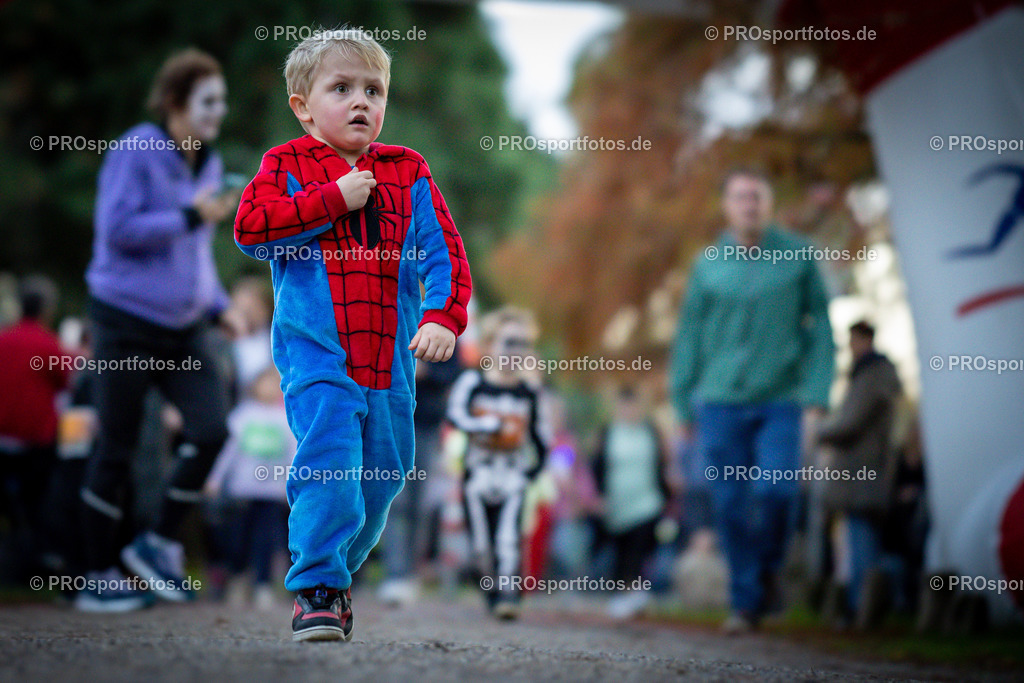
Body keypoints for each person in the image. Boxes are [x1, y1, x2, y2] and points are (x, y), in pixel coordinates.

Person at [233, 29, 472, 642]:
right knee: (330, 464)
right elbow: (252, 230)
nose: (361, 101)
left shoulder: (406, 169)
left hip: (390, 362)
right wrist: (331, 200)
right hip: (318, 357)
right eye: (342, 88)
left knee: (384, 475)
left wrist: (443, 316)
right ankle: (314, 587)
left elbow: (444, 253)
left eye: (374, 90)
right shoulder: (284, 166)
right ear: (303, 105)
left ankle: (335, 575)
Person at [77, 48, 236, 612]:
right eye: (207, 101)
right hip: (123, 320)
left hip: (184, 328)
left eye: (221, 100)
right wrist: (190, 215)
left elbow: (197, 253)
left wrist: (218, 306)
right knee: (116, 447)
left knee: (213, 430)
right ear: (174, 102)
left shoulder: (210, 161)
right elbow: (116, 230)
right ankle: (96, 578)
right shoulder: (136, 148)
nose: (218, 111)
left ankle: (157, 543)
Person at [670, 167, 835, 634]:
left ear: (770, 203)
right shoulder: (707, 264)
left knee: (778, 490)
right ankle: (745, 602)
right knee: (729, 503)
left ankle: (766, 567)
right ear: (727, 206)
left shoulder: (799, 257)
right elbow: (689, 336)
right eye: (740, 196)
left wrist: (817, 396)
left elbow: (821, 330)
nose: (749, 204)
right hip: (719, 401)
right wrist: (682, 403)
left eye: (757, 195)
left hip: (780, 399)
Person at [446, 307, 550, 620]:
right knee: (480, 543)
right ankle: (490, 588)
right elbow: (455, 415)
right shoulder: (472, 382)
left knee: (508, 538)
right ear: (491, 345)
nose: (515, 352)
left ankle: (509, 595)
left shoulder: (529, 392)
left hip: (512, 474)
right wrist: (486, 425)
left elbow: (541, 435)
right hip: (478, 474)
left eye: (523, 344)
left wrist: (533, 471)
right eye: (509, 343)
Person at [817, 320, 901, 629]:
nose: (851, 348)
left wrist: (819, 431)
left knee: (862, 540)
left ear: (864, 339)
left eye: (854, 340)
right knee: (860, 539)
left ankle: (861, 609)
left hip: (862, 475)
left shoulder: (871, 374)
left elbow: (849, 423)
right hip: (864, 473)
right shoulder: (872, 374)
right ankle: (862, 607)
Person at [0, 276, 72, 578]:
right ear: (47, 309)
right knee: (37, 503)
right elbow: (65, 380)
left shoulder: (4, 339)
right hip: (35, 438)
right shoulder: (48, 343)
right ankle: (35, 563)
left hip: (3, 435)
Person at [204, 367, 293, 611]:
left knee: (267, 540)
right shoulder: (242, 416)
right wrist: (214, 479)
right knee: (238, 538)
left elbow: (293, 455)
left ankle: (263, 584)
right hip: (242, 490)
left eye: (277, 383)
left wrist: (295, 485)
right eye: (266, 382)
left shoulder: (287, 418)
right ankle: (237, 578)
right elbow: (227, 452)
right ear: (254, 385)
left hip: (273, 493)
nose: (271, 388)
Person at [592, 386, 671, 620]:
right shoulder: (608, 432)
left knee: (640, 549)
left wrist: (668, 491)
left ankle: (635, 592)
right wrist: (597, 498)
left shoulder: (651, 432)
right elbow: (597, 466)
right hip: (616, 506)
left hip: (647, 502)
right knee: (621, 552)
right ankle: (622, 594)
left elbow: (662, 464)